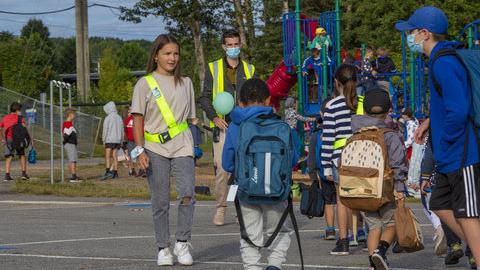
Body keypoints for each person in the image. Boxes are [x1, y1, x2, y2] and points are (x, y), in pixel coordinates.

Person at [397, 6, 480, 267]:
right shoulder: (438, 61)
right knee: (439, 202)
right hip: (448, 154)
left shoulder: (444, 62)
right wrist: (429, 123)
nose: (409, 37)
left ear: (425, 33)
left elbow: (458, 109)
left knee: (467, 214)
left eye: (411, 32)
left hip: (461, 153)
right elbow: (450, 103)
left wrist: (445, 141)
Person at [130, 34, 196, 266]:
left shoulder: (186, 82)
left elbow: (191, 118)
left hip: (183, 144)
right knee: (160, 200)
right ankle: (163, 247)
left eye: (176, 54)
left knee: (188, 193)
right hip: (154, 147)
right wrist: (139, 151)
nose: (172, 58)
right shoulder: (144, 84)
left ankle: (182, 242)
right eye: (167, 53)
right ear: (156, 55)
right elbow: (137, 118)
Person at [222, 78, 298, 270]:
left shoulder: (235, 126)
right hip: (277, 189)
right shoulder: (280, 124)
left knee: (250, 234)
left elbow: (226, 163)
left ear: (240, 102)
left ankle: (252, 267)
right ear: (268, 100)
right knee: (280, 230)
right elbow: (294, 158)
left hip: (247, 189)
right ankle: (274, 265)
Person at [200, 29, 256, 226]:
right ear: (224, 47)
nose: (233, 48)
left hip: (244, 126)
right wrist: (214, 117)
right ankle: (221, 207)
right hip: (223, 127)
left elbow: (256, 97)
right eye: (229, 45)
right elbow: (204, 97)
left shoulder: (250, 69)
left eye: (236, 44)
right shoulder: (213, 68)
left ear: (240, 44)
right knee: (223, 169)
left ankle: (240, 208)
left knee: (243, 170)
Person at [351, 89, 407, 270]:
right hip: (386, 188)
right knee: (392, 224)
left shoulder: (356, 133)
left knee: (374, 227)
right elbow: (398, 163)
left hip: (363, 188)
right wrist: (400, 188)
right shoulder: (390, 134)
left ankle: (372, 264)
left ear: (364, 109)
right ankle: (380, 251)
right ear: (388, 109)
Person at [321, 64, 358, 255]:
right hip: (362, 157)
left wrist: (326, 166)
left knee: (342, 200)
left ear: (336, 83)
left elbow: (328, 138)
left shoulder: (332, 106)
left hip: (340, 159)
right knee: (364, 198)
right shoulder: (362, 102)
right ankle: (364, 235)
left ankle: (343, 241)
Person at [308, 98, 337, 240]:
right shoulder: (341, 129)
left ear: (321, 112)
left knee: (329, 202)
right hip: (340, 169)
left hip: (324, 172)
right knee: (345, 202)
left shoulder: (316, 134)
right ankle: (355, 232)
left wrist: (313, 175)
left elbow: (312, 158)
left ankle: (330, 229)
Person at [0, 102, 30, 181]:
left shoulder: (5, 118)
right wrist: (30, 139)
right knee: (22, 155)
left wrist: (2, 138)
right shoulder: (20, 118)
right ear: (17, 110)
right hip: (19, 139)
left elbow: (0, 128)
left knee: (8, 156)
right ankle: (23, 174)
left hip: (8, 139)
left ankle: (7, 175)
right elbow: (25, 130)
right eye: (20, 109)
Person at [101, 101, 124, 180]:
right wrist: (121, 140)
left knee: (107, 156)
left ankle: (107, 172)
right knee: (115, 156)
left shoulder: (107, 118)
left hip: (109, 140)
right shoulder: (119, 118)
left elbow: (105, 130)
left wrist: (103, 140)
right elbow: (122, 130)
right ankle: (115, 172)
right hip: (117, 140)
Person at [124, 106, 146, 177]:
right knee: (131, 155)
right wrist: (126, 138)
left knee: (139, 154)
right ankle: (131, 170)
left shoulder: (140, 119)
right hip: (130, 140)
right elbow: (125, 130)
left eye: (131, 110)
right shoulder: (127, 120)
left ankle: (141, 169)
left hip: (138, 140)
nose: (130, 112)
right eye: (129, 110)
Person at [63, 108, 81, 182]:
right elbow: (66, 135)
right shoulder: (67, 123)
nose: (75, 115)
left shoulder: (69, 124)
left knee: (72, 159)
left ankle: (73, 175)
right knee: (73, 160)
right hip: (70, 144)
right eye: (74, 114)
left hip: (71, 143)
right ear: (70, 115)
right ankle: (73, 177)